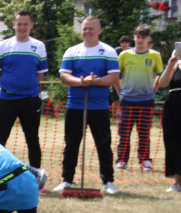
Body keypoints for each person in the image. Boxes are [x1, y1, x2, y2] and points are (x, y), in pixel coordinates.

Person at [53, 16, 119, 195]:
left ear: (99, 30)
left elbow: (113, 77)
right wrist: (82, 82)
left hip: (99, 107)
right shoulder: (72, 51)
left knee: (104, 144)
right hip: (75, 105)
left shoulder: (108, 51)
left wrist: (93, 81)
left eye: (91, 28)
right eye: (84, 28)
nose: (87, 32)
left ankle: (108, 181)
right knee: (71, 144)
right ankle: (67, 180)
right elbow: (64, 76)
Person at [0, 9, 47, 169]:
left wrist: (26, 89)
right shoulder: (3, 46)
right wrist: (9, 88)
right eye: (19, 24)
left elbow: (39, 75)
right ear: (14, 25)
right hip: (7, 99)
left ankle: (36, 177)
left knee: (32, 139)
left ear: (31, 25)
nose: (22, 27)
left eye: (25, 24)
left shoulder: (39, 46)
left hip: (30, 101)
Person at [114, 25, 163, 172]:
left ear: (148, 39)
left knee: (144, 132)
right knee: (124, 132)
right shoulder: (124, 55)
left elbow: (160, 75)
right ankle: (122, 160)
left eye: (144, 37)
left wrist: (154, 90)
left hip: (146, 101)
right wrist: (119, 92)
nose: (141, 40)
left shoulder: (155, 55)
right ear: (134, 37)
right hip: (127, 100)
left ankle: (145, 160)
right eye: (138, 37)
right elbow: (115, 75)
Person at [155, 52, 181, 192]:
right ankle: (177, 181)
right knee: (172, 142)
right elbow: (162, 83)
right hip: (173, 106)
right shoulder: (175, 65)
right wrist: (170, 65)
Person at [110, 35, 132, 119]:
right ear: (120, 43)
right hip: (116, 78)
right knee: (115, 98)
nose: (124, 44)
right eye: (123, 42)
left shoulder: (131, 51)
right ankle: (114, 116)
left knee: (125, 98)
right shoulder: (116, 51)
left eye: (126, 42)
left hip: (127, 78)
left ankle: (123, 115)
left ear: (129, 43)